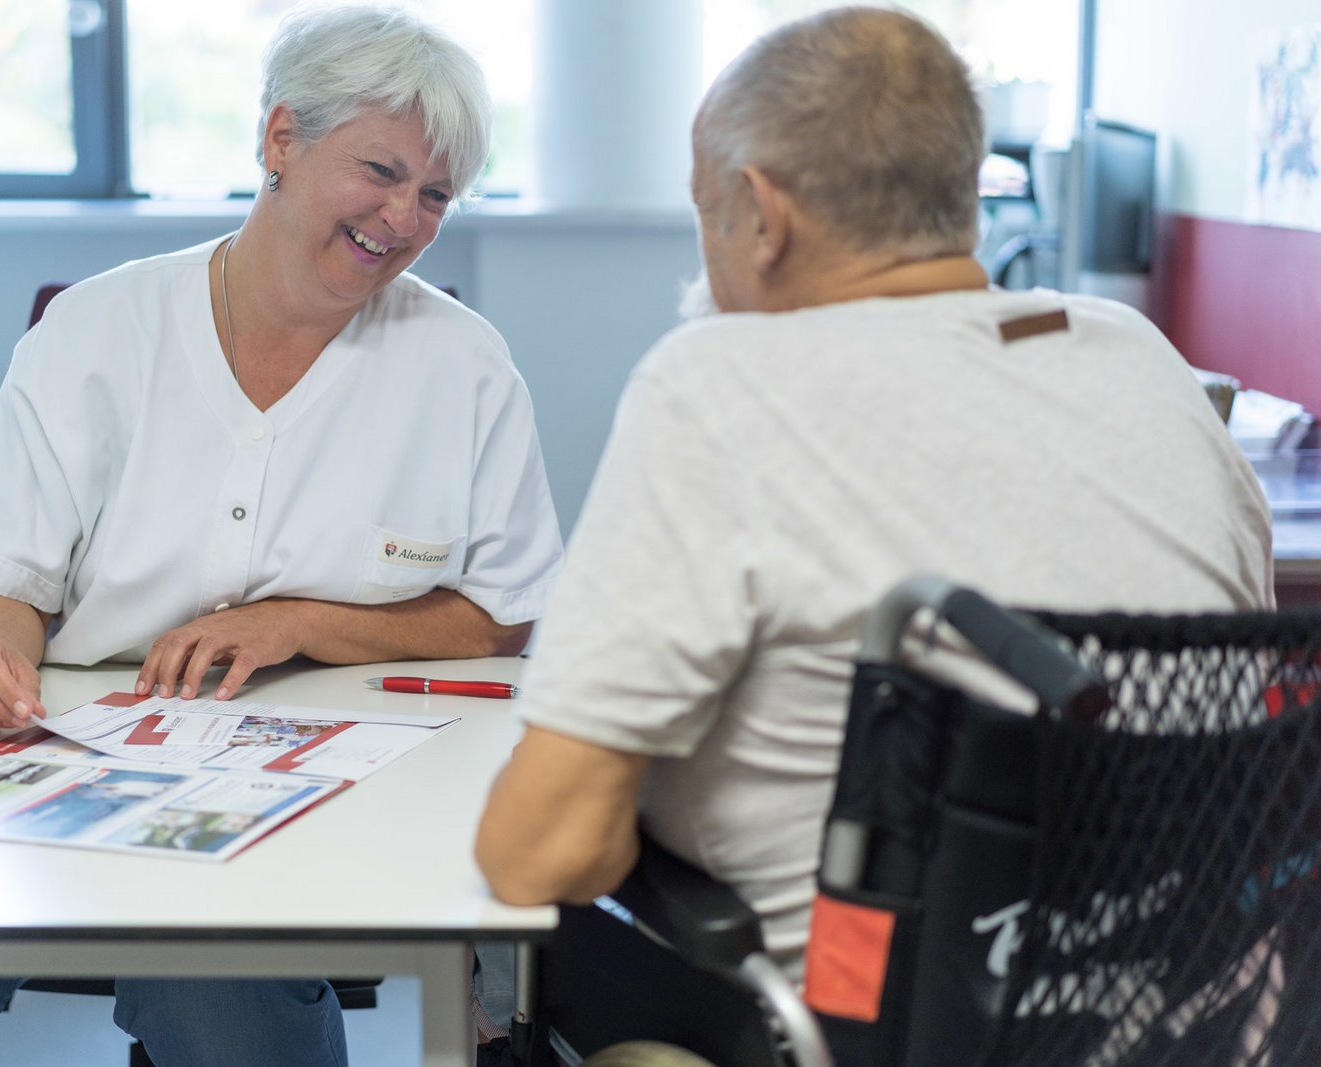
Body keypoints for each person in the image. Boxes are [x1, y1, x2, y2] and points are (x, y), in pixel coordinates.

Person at [0, 7, 561, 1067]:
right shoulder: (98, 330)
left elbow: (502, 619)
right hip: (59, 757)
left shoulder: (465, 366)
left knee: (227, 1005)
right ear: (281, 140)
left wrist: (296, 622)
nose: (402, 215)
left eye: (434, 194)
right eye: (379, 169)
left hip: (305, 776)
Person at [474, 1, 1272, 994]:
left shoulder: (719, 381)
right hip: (1179, 1011)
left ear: (761, 215)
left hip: (864, 1019)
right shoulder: (1137, 355)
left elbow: (538, 851)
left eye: (705, 211)